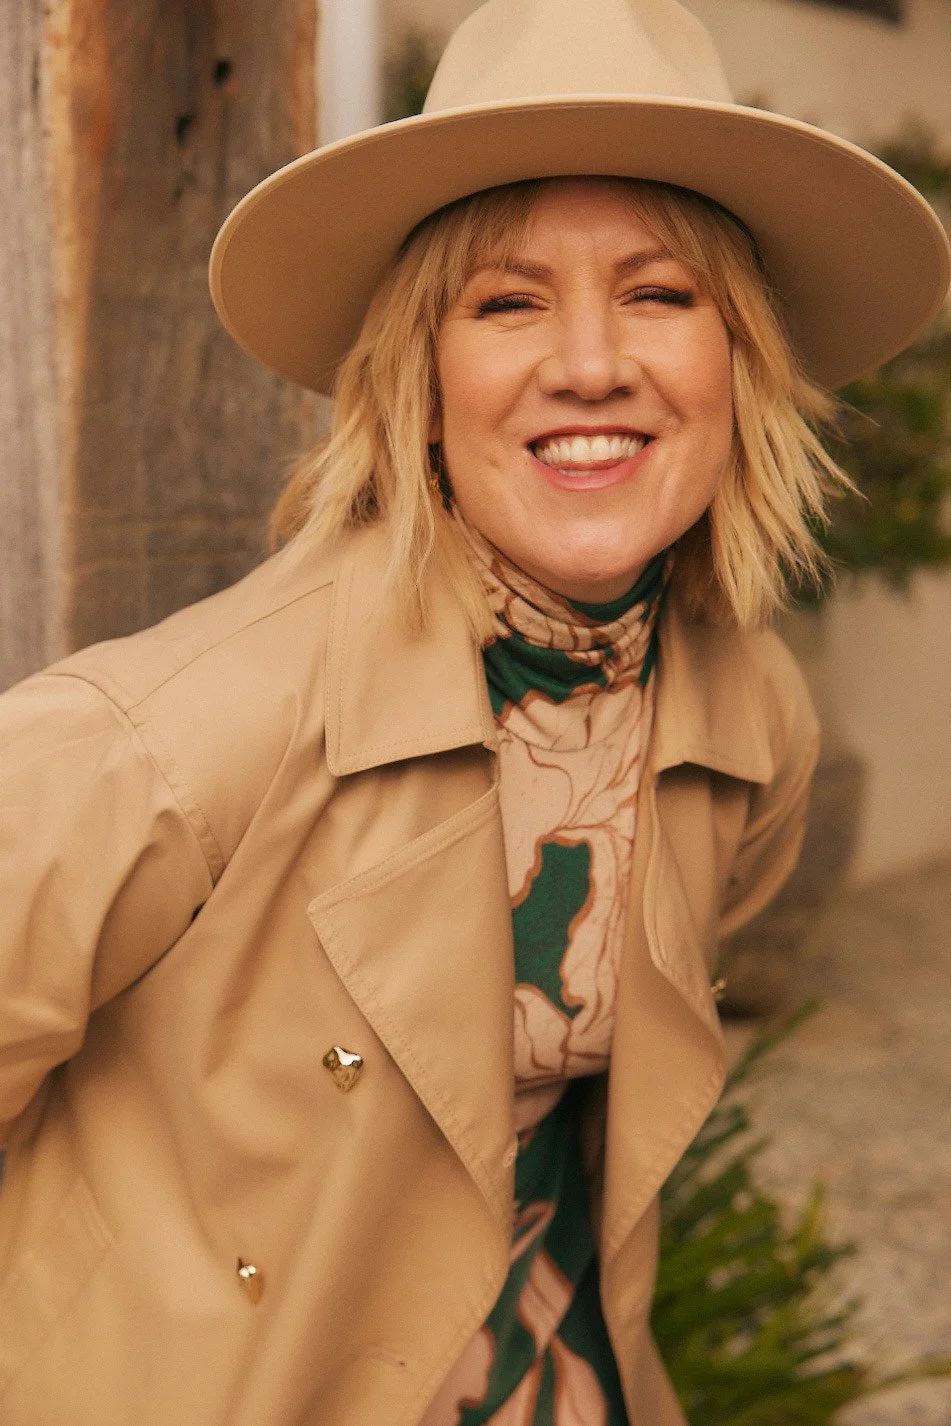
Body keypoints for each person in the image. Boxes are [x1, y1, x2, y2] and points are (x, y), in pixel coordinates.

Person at [0, 1, 947, 1423]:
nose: (587, 364)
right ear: (418, 381)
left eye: (658, 293)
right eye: (504, 301)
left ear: (737, 361)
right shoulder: (164, 737)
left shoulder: (751, 717)